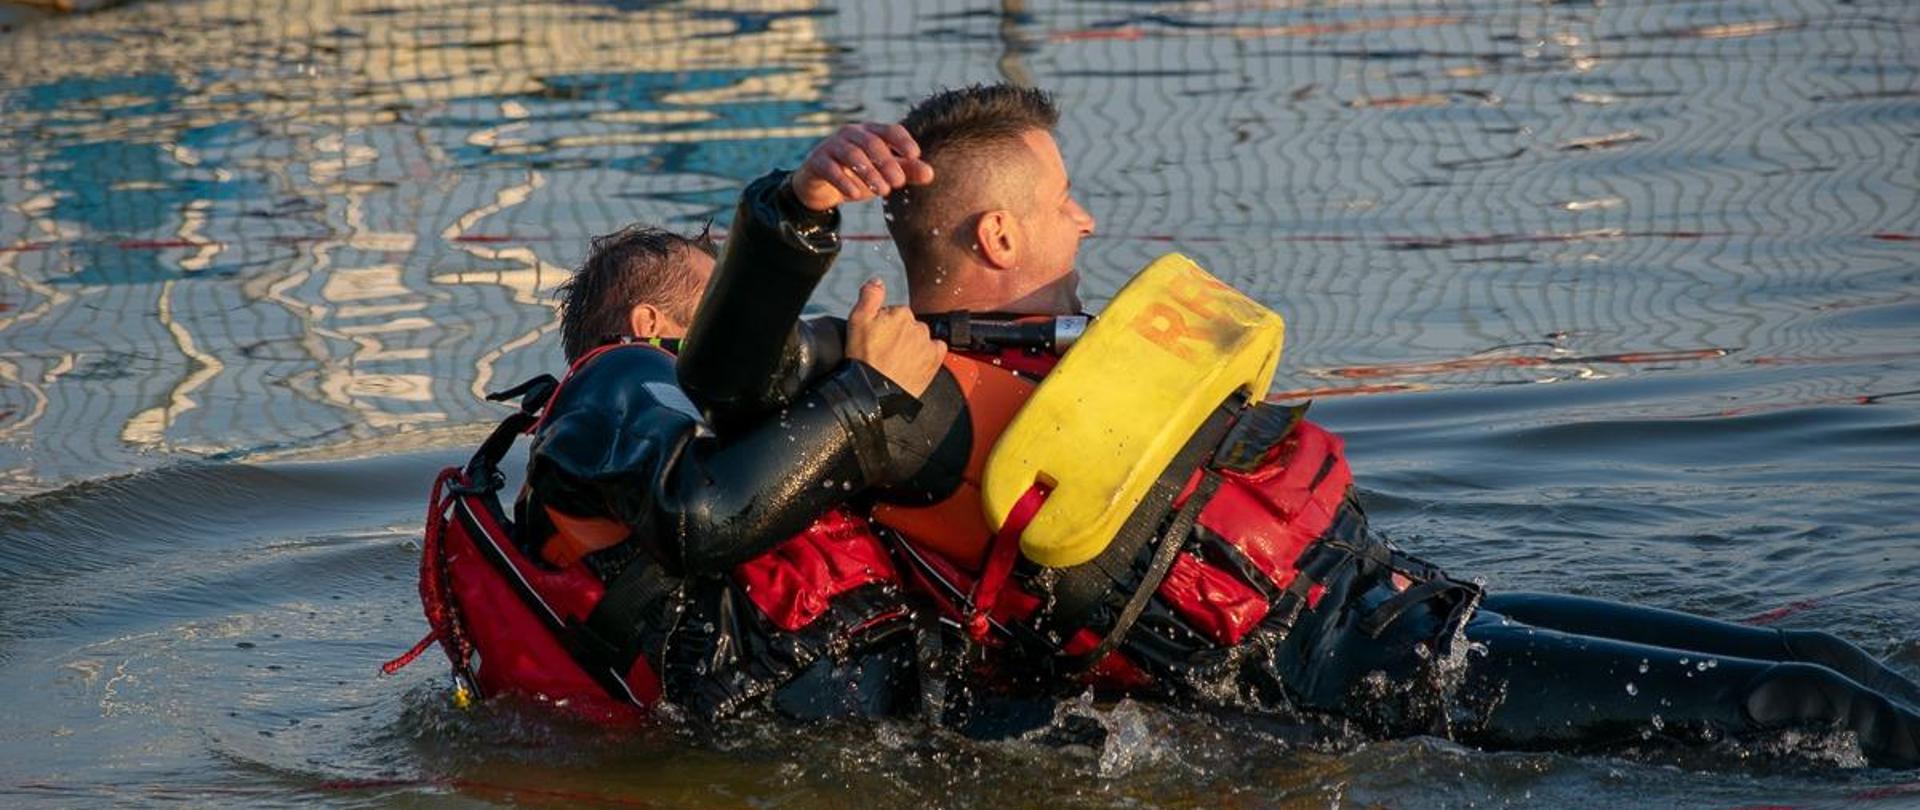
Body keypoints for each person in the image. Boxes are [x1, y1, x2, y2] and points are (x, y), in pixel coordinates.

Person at [685, 83, 1920, 767]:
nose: (1089, 223)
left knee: (1823, 663)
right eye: (1065, 201)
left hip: (1408, 604)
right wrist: (795, 203)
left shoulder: (1067, 360)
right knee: (1800, 713)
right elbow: (728, 379)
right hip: (1354, 675)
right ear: (999, 236)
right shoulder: (903, 386)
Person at [394, 126, 951, 725]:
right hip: (743, 738)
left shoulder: (700, 428)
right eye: (720, 310)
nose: (753, 331)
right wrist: (868, 390)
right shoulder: (615, 379)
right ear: (648, 321)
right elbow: (696, 518)